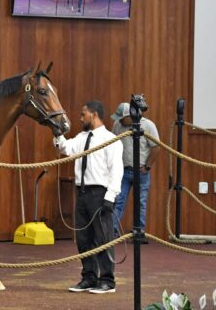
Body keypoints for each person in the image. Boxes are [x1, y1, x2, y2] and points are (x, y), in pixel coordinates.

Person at [54, 101, 123, 295]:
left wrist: (110, 197)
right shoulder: (81, 137)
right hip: (82, 193)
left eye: (83, 114)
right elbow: (65, 149)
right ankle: (89, 277)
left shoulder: (111, 139)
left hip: (99, 193)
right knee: (84, 239)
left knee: (102, 237)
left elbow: (116, 171)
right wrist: (57, 133)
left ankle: (107, 280)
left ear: (94, 115)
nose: (80, 117)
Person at [110, 102, 159, 235]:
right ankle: (112, 231)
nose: (119, 120)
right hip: (123, 170)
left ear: (130, 116)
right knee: (118, 201)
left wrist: (147, 166)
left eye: (121, 118)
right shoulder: (117, 125)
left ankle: (140, 231)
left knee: (141, 203)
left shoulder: (148, 125)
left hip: (141, 172)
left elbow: (156, 147)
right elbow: (113, 145)